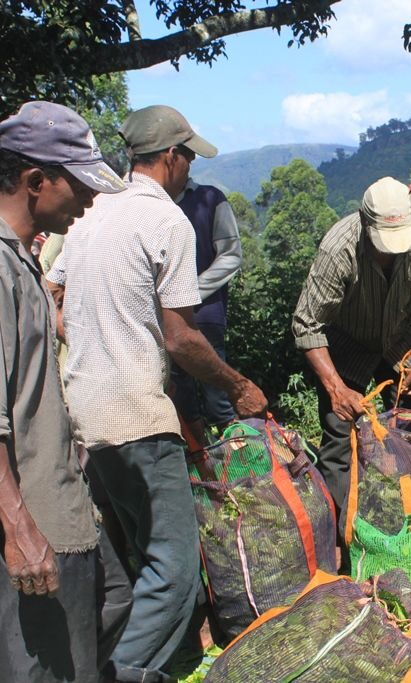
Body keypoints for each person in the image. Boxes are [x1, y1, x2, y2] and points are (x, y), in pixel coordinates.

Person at [51, 104, 268, 683]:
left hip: (88, 418)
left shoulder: (90, 214)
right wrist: (239, 385)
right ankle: (117, 674)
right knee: (173, 572)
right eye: (189, 154)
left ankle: (144, 661)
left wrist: (94, 342)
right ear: (170, 157)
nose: (191, 166)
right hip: (139, 418)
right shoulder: (164, 219)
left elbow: (51, 296)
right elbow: (182, 339)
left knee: (133, 563)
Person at [0, 100, 132, 682]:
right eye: (79, 186)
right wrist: (19, 530)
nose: (89, 200)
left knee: (111, 610)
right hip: (36, 527)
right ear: (35, 181)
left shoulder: (23, 262)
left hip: (63, 508)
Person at [292, 176, 411, 538]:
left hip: (398, 343)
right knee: (339, 441)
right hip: (346, 350)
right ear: (365, 223)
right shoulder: (338, 248)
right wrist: (335, 388)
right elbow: (306, 323)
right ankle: (346, 539)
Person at [171, 177, 243, 445]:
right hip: (165, 319)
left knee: (218, 396)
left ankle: (241, 464)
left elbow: (231, 255)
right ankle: (201, 463)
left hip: (205, 314)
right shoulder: (150, 203)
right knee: (182, 398)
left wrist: (190, 292)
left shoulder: (211, 199)